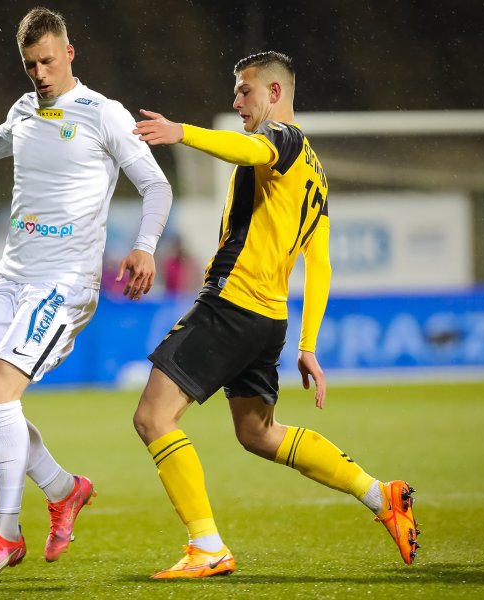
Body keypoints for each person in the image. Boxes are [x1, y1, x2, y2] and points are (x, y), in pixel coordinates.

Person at [0, 6, 172, 580]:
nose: (40, 74)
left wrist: (144, 246)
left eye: (47, 61)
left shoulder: (103, 113)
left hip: (64, 285)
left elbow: (156, 184)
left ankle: (6, 533)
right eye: (30, 65)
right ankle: (65, 489)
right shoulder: (23, 109)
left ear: (69, 53)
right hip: (12, 278)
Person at [132, 51, 418, 579]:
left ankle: (207, 546)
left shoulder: (280, 139)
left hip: (232, 304)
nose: (237, 101)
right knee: (258, 433)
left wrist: (181, 132)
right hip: (269, 320)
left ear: (275, 93)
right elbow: (321, 263)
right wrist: (307, 345)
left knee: (153, 417)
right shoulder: (317, 174)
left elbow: (248, 149)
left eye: (245, 91)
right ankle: (382, 496)